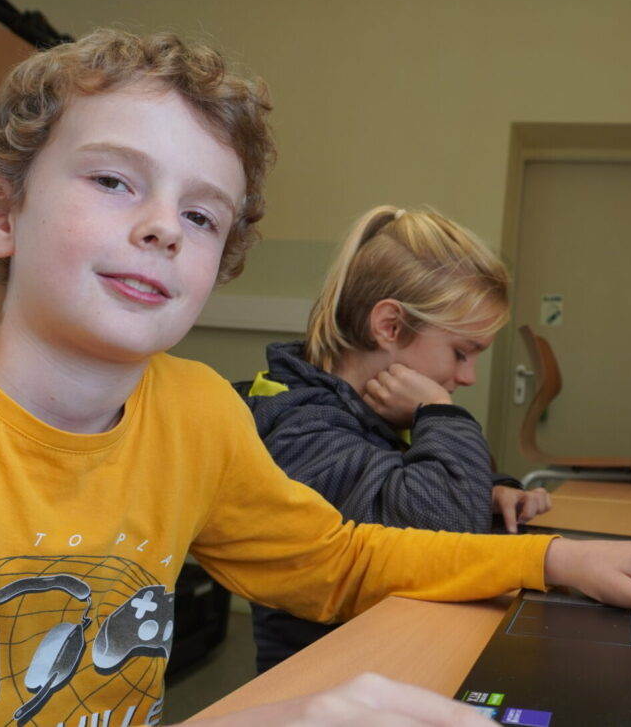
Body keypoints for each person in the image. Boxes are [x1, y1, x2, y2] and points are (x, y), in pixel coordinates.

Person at [0, 28, 631, 727]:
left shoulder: (197, 414)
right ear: (1, 213)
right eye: (114, 181)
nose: (161, 229)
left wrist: (556, 562)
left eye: (201, 215)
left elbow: (340, 562)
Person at [235, 205, 553, 672]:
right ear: (390, 326)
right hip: (323, 681)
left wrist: (492, 491)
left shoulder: (365, 407)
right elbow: (440, 536)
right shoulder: (296, 423)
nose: (468, 376)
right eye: (462, 353)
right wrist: (439, 413)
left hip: (393, 653)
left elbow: (421, 475)